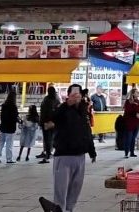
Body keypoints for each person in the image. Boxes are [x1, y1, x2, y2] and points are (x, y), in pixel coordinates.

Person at [41, 83, 96, 212]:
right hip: (64, 155)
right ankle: (59, 209)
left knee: (75, 189)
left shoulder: (83, 111)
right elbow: (49, 119)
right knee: (61, 190)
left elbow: (87, 131)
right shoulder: (62, 109)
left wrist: (92, 151)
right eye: (73, 94)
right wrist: (66, 105)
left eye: (79, 95)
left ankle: (69, 210)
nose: (76, 97)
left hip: (80, 156)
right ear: (68, 96)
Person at [0, 90, 19, 164]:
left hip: (3, 127)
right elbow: (14, 117)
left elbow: (2, 116)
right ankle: (9, 158)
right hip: (10, 128)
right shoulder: (13, 107)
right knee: (9, 144)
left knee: (1, 142)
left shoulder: (4, 105)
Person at [38, 86, 60, 163]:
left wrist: (41, 122)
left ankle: (48, 153)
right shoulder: (57, 100)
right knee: (53, 138)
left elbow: (43, 112)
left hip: (46, 122)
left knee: (47, 138)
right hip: (54, 122)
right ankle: (53, 151)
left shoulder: (46, 100)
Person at [122, 88, 139, 158]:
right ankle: (126, 152)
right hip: (129, 122)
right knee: (129, 137)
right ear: (133, 93)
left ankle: (132, 152)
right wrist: (136, 114)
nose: (138, 93)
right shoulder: (128, 101)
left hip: (137, 122)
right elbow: (128, 111)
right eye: (136, 92)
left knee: (133, 138)